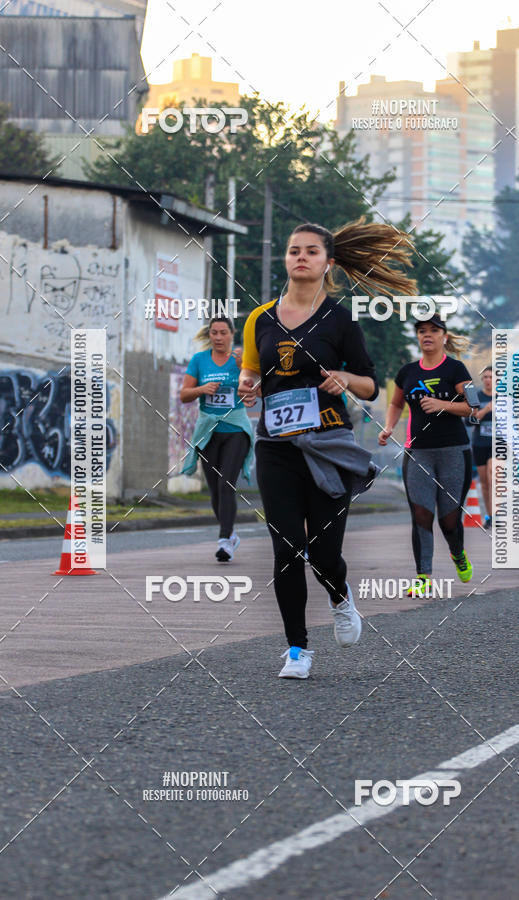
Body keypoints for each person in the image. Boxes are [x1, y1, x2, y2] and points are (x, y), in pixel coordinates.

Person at [238, 219, 415, 679]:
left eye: (311, 251)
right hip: (276, 445)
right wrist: (248, 387)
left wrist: (345, 380)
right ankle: (297, 649)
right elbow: (252, 373)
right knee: (286, 548)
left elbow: (371, 384)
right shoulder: (260, 318)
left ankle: (340, 597)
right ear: (286, 258)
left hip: (329, 445)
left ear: (327, 263)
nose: (301, 257)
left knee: (322, 552)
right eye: (294, 250)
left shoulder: (339, 319)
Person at [379, 315, 475, 596]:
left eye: (434, 330)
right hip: (418, 452)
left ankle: (458, 553)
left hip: (453, 452)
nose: (427, 335)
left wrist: (443, 404)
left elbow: (473, 406)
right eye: (422, 331)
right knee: (421, 514)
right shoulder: (407, 372)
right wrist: (388, 427)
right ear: (417, 337)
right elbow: (396, 404)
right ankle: (424, 577)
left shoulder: (456, 368)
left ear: (444, 336)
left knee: (448, 519)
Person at [180, 316, 253, 562]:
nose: (218, 338)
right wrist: (202, 389)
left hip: (236, 428)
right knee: (214, 490)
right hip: (208, 430)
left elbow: (259, 389)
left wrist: (247, 369)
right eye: (214, 333)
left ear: (232, 334)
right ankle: (230, 534)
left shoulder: (241, 360)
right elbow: (184, 395)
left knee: (226, 485)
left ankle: (224, 542)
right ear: (209, 335)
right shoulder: (199, 361)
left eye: (223, 333)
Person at [470, 365, 494, 528]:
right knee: (485, 483)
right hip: (480, 444)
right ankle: (490, 515)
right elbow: (470, 420)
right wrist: (485, 410)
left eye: (491, 377)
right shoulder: (476, 397)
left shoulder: (505, 397)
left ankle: (499, 513)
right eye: (485, 377)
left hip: (499, 444)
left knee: (494, 478)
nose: (488, 380)